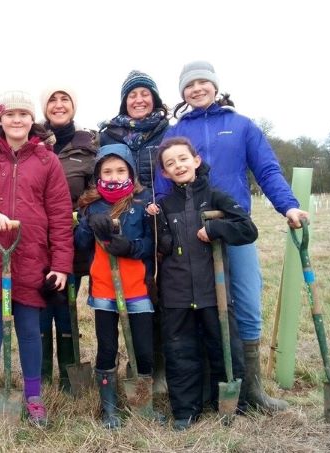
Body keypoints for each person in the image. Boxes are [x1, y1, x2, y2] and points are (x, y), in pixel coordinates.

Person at [153, 61, 309, 413]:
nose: (196, 89)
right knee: (201, 309)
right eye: (189, 85)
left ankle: (250, 388)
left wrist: (289, 206)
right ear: (182, 93)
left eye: (202, 82)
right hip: (191, 232)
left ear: (215, 86)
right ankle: (210, 387)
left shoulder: (240, 126)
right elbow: (164, 184)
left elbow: (266, 169)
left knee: (246, 303)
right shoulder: (176, 131)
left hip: (233, 228)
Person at [0, 90, 74, 426]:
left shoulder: (46, 160)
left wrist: (61, 264)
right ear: (1, 119)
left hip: (31, 254)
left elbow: (59, 213)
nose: (17, 120)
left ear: (31, 120)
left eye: (24, 115)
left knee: (28, 330)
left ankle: (34, 396)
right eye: (11, 115)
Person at [152, 137, 251, 430]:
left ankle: (230, 405)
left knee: (224, 348)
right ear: (165, 174)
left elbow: (247, 229)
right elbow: (160, 246)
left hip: (214, 292)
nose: (178, 165)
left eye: (183, 159)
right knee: (180, 351)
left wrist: (214, 228)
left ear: (196, 161)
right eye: (170, 164)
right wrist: (156, 223)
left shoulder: (216, 196)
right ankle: (185, 410)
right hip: (176, 293)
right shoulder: (163, 205)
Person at [73, 143, 163, 429]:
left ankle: (142, 403)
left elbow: (154, 243)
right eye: (107, 171)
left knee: (143, 349)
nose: (113, 176)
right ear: (98, 173)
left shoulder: (143, 201)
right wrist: (89, 225)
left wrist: (130, 247)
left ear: (131, 172)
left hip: (137, 288)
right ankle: (109, 407)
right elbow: (80, 244)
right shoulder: (91, 204)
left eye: (120, 170)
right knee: (107, 348)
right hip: (104, 289)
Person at [99, 70, 171, 393]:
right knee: (138, 291)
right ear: (124, 101)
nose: (139, 100)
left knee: (160, 297)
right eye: (132, 95)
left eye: (145, 94)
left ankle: (157, 368)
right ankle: (137, 366)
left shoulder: (167, 131)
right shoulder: (110, 135)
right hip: (128, 221)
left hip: (162, 220)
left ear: (154, 98)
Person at [38, 86, 97, 393]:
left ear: (74, 106)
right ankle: (43, 375)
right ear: (44, 107)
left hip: (72, 239)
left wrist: (80, 218)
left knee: (66, 306)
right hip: (35, 240)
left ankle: (70, 375)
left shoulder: (88, 146)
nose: (59, 105)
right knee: (40, 307)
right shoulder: (32, 143)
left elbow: (95, 191)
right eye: (52, 100)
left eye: (65, 100)